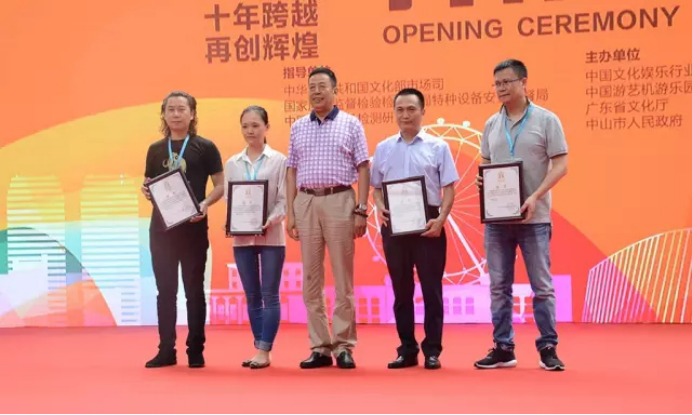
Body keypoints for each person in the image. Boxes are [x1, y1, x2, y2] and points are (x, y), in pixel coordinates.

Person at [474, 59, 568, 371]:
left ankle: (548, 347)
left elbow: (561, 165)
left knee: (542, 286)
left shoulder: (546, 120)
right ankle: (503, 347)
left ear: (523, 82)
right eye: (497, 83)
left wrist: (535, 196)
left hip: (534, 218)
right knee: (498, 286)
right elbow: (487, 164)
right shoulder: (491, 124)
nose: (501, 88)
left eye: (507, 82)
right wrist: (483, 181)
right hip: (498, 222)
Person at [286, 66, 370, 370]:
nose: (316, 92)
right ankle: (320, 346)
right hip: (306, 201)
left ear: (335, 90)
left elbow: (363, 167)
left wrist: (361, 208)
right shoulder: (298, 126)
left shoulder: (351, 123)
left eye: (322, 86)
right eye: (312, 87)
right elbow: (291, 170)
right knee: (311, 278)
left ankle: (344, 345)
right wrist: (291, 212)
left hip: (340, 200)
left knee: (342, 277)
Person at [371, 88, 458, 370]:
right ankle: (407, 349)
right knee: (401, 290)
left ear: (423, 111)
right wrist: (380, 207)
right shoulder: (384, 148)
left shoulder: (438, 147)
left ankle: (432, 350)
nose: (405, 115)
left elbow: (448, 187)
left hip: (429, 223)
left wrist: (441, 219)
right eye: (400, 109)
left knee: (431, 289)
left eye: (411, 109)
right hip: (395, 223)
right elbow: (376, 188)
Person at [141, 91, 225, 369]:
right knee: (165, 292)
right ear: (163, 114)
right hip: (161, 231)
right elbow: (150, 183)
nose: (176, 114)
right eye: (171, 109)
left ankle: (195, 350)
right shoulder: (155, 149)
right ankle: (166, 350)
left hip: (193, 229)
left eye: (181, 109)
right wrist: (146, 190)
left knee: (194, 291)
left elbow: (220, 185)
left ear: (192, 114)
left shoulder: (205, 147)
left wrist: (205, 204)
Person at [224, 106, 287, 370]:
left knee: (270, 294)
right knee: (252, 295)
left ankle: (264, 349)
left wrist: (269, 220)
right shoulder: (232, 163)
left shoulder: (280, 161)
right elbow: (230, 199)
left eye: (255, 125)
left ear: (266, 127)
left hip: (272, 236)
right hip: (242, 239)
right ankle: (260, 348)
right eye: (245, 126)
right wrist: (232, 221)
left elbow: (284, 199)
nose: (250, 131)